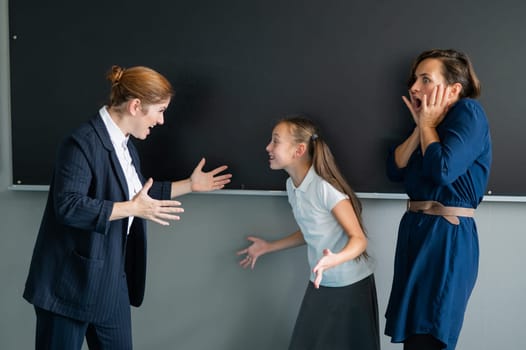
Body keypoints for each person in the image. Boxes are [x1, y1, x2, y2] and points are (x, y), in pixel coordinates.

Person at [23, 65, 232, 349]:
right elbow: (69, 206)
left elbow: (136, 194)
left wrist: (190, 185)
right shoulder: (81, 143)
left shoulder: (125, 145)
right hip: (68, 285)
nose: (161, 121)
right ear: (136, 106)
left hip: (110, 280)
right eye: (159, 110)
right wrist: (131, 209)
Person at [237, 116, 380, 350]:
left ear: (299, 150)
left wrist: (334, 259)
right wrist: (269, 247)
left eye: (275, 141)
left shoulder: (324, 188)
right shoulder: (292, 186)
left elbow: (359, 240)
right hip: (320, 281)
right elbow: (311, 232)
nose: (268, 147)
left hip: (350, 286)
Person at [384, 49, 492, 350]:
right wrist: (422, 125)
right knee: (415, 335)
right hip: (416, 233)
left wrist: (428, 127)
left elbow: (443, 169)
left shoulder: (468, 113)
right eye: (414, 79)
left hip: (446, 236)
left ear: (454, 89)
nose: (414, 88)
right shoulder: (430, 122)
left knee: (430, 333)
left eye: (426, 79)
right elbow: (394, 169)